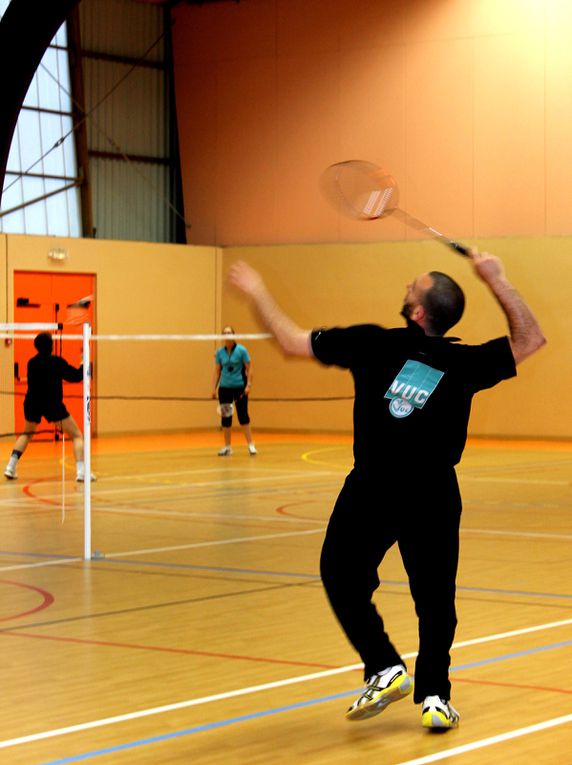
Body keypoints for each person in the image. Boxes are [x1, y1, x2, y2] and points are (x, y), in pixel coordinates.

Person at [229, 250, 545, 730]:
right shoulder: (456, 361)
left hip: (386, 487)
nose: (404, 289)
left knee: (361, 579)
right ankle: (408, 680)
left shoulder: (373, 344)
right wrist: (497, 280)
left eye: (410, 287)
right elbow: (530, 337)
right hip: (418, 491)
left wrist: (257, 292)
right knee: (411, 593)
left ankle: (405, 678)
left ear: (419, 311)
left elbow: (291, 342)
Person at [4, 332, 95, 482]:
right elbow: (77, 376)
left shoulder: (31, 363)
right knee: (77, 435)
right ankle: (81, 472)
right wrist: (83, 361)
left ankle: (10, 467)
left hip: (32, 403)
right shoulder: (56, 362)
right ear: (51, 345)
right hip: (52, 404)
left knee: (27, 434)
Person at [212, 325, 257, 456]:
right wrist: (213, 389)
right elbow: (216, 372)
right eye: (224, 333)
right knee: (226, 418)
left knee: (243, 416)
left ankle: (250, 445)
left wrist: (249, 385)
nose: (227, 335)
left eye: (229, 333)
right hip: (224, 389)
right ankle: (227, 447)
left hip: (239, 389)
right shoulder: (220, 353)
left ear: (233, 335)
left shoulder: (242, 350)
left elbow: (250, 368)